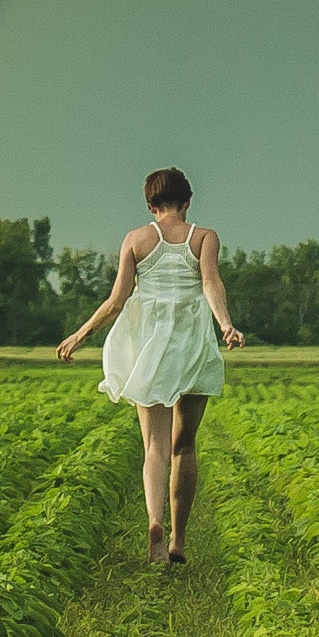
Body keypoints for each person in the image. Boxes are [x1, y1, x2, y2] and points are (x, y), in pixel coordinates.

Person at [54, 167, 246, 566]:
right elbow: (212, 284)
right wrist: (225, 324)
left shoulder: (136, 240)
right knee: (184, 444)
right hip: (193, 343)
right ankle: (178, 538)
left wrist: (80, 334)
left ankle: (154, 523)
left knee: (154, 446)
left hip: (153, 348)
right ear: (188, 201)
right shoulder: (204, 237)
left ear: (151, 205)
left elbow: (117, 301)